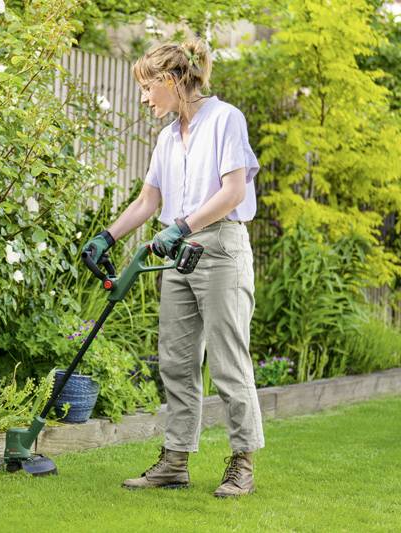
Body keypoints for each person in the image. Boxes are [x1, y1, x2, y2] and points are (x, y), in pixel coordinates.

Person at [81, 38, 264, 498]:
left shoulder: (225, 119)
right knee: (176, 362)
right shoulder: (166, 137)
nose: (144, 99)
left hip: (220, 249)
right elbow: (148, 200)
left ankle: (242, 463)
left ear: (171, 80)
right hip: (177, 253)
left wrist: (182, 226)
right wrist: (107, 236)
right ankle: (175, 461)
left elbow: (233, 192)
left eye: (148, 88)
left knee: (227, 362)